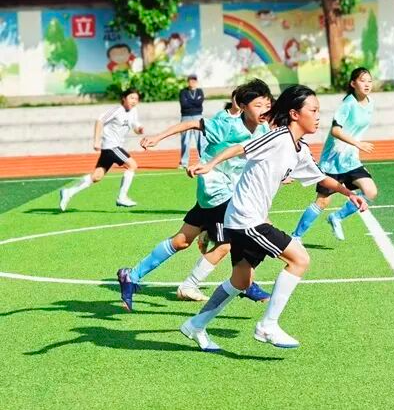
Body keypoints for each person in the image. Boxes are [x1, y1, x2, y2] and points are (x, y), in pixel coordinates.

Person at [179, 85, 368, 352]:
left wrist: (349, 193)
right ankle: (267, 325)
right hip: (247, 219)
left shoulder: (299, 149)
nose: (318, 117)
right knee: (299, 259)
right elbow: (240, 147)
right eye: (313, 111)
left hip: (244, 219)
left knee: (241, 281)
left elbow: (320, 177)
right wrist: (209, 164)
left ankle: (195, 325)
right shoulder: (278, 137)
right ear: (294, 114)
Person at [116, 80, 273, 311]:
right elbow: (191, 124)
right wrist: (158, 137)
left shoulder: (263, 128)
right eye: (258, 105)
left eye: (267, 105)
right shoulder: (227, 124)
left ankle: (131, 275)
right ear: (242, 106)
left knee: (181, 240)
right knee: (227, 244)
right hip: (217, 189)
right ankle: (203, 284)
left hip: (226, 191)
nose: (264, 111)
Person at [291, 67, 377, 242]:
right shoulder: (348, 104)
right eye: (362, 81)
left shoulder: (370, 103)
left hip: (351, 161)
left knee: (370, 191)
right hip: (332, 161)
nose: (367, 84)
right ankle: (296, 237)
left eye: (369, 81)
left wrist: (355, 147)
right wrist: (358, 143)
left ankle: (337, 217)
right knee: (322, 202)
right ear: (353, 84)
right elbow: (336, 131)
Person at [59, 88, 143, 211]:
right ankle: (122, 197)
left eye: (136, 99)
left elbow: (135, 126)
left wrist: (139, 129)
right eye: (131, 98)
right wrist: (96, 141)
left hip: (112, 148)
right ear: (124, 98)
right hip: (112, 146)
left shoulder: (133, 111)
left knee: (97, 176)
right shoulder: (117, 110)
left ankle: (68, 192)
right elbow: (100, 120)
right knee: (132, 165)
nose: (134, 101)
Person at [179, 74, 205, 168]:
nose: (192, 82)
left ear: (196, 82)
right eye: (190, 81)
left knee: (200, 140)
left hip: (198, 116)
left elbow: (199, 103)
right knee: (185, 140)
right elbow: (184, 104)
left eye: (194, 81)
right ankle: (184, 162)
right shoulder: (183, 92)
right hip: (186, 117)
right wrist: (194, 102)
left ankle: (203, 160)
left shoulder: (199, 91)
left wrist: (190, 102)